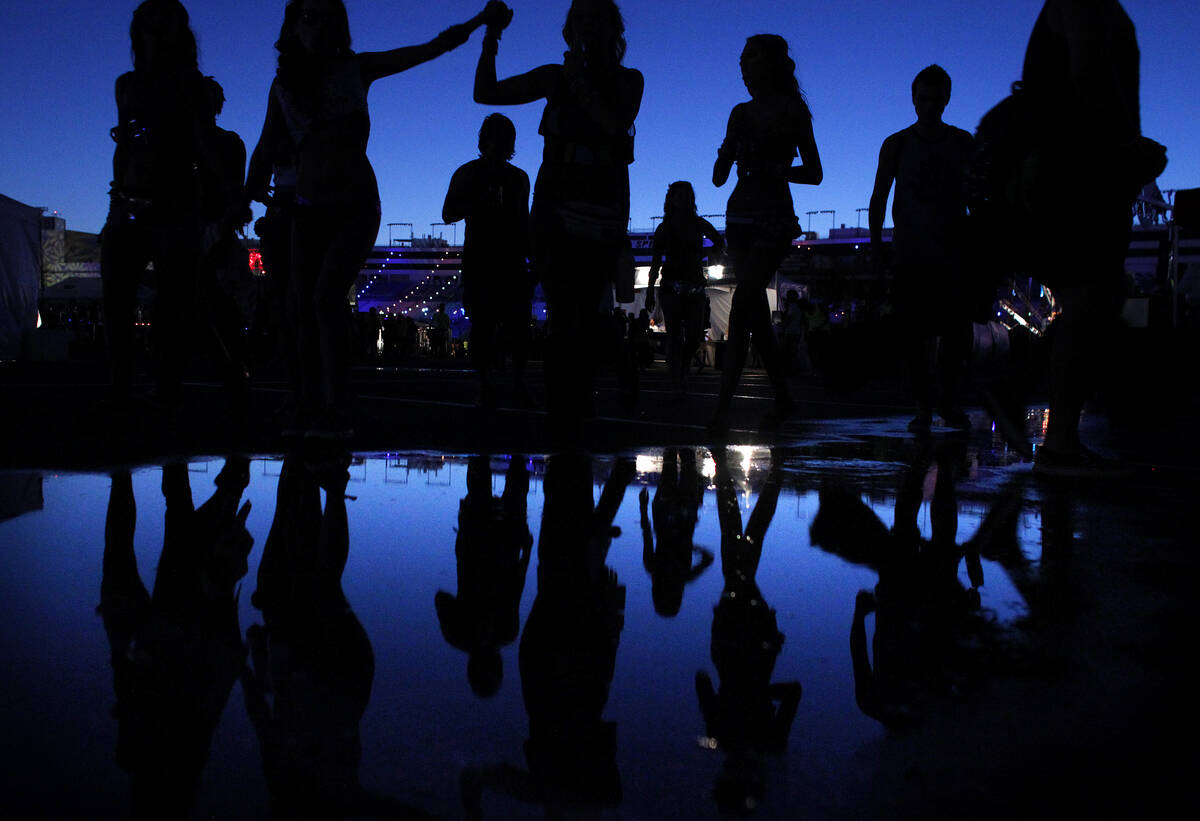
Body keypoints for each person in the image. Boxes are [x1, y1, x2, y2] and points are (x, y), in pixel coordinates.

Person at [247, 0, 502, 438]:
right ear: (293, 29)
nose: (319, 26)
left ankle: (335, 405)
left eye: (327, 17)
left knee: (323, 299)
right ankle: (308, 402)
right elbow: (268, 141)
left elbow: (425, 50)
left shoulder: (355, 70)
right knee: (303, 307)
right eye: (309, 17)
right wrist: (248, 189)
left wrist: (481, 22)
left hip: (355, 207)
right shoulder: (284, 87)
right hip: (307, 208)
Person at [474, 0, 643, 437]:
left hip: (601, 204)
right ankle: (562, 408)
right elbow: (487, 92)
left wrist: (577, 81)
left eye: (594, 20)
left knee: (584, 309)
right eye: (579, 21)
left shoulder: (628, 81)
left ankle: (585, 395)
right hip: (553, 203)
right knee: (563, 309)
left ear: (612, 30)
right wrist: (491, 37)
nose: (587, 29)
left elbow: (612, 123)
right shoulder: (555, 77)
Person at [1015, 0, 1166, 475]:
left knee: (1091, 299)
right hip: (1086, 168)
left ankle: (1052, 429)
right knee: (1093, 296)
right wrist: (1127, 149)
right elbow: (1090, 70)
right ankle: (1053, 434)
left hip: (1078, 165)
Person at [100, 0, 235, 411]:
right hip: (134, 205)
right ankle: (128, 388)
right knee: (121, 302)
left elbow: (203, 146)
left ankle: (163, 390)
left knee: (171, 305)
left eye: (163, 25)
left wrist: (224, 198)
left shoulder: (188, 85)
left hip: (173, 207)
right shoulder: (129, 85)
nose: (155, 32)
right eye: (149, 24)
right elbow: (125, 148)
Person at [710, 34, 822, 433]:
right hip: (740, 214)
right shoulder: (739, 113)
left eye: (750, 60)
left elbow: (815, 172)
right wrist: (728, 147)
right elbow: (719, 178)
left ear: (769, 64)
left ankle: (722, 407)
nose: (743, 67)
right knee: (752, 304)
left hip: (774, 215)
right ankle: (782, 398)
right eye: (741, 61)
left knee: (746, 299)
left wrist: (776, 170)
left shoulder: (793, 111)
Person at [869, 64, 975, 433]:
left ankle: (940, 403)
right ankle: (926, 405)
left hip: (949, 250)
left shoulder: (962, 143)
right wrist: (878, 244)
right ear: (914, 99)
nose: (929, 106)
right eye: (924, 99)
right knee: (918, 334)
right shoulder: (898, 144)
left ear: (945, 100)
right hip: (914, 251)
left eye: (935, 99)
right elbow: (879, 197)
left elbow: (977, 195)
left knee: (953, 332)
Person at [442, 114, 535, 408]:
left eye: (505, 138)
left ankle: (513, 382)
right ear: (485, 140)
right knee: (485, 325)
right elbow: (448, 213)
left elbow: (524, 220)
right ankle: (487, 384)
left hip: (508, 259)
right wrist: (477, 203)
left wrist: (532, 260)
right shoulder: (469, 173)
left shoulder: (518, 178)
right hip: (483, 259)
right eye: (497, 138)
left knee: (517, 325)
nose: (501, 144)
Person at [645, 181, 724, 398]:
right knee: (673, 336)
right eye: (679, 196)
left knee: (695, 335)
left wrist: (707, 257)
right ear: (672, 199)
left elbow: (719, 241)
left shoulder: (698, 223)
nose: (683, 200)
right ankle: (676, 376)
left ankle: (682, 367)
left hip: (694, 284)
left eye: (687, 196)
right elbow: (655, 261)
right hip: (671, 285)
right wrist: (651, 289)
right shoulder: (665, 227)